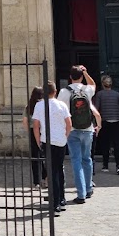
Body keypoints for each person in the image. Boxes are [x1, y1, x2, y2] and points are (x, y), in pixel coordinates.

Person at [58, 64, 100, 203]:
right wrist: (86, 73)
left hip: (72, 130)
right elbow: (93, 84)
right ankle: (88, 188)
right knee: (87, 159)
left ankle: (81, 194)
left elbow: (60, 112)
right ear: (81, 76)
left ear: (70, 77)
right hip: (88, 129)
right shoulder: (87, 90)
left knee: (76, 160)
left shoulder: (64, 92)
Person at [32, 81, 71, 214]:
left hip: (47, 141)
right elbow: (68, 124)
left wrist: (38, 141)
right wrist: (65, 136)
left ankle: (55, 203)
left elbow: (36, 125)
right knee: (59, 169)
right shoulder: (62, 105)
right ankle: (62, 199)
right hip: (60, 141)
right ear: (55, 92)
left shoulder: (39, 105)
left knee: (51, 171)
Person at [95, 74, 119, 174]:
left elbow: (96, 108)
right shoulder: (117, 94)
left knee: (105, 144)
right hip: (117, 120)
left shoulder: (100, 94)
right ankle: (118, 166)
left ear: (103, 84)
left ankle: (105, 165)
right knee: (117, 144)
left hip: (105, 121)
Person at [21, 86, 46, 189]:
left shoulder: (29, 106)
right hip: (43, 130)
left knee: (35, 157)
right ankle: (46, 178)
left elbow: (25, 121)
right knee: (45, 155)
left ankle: (37, 182)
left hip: (32, 131)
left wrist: (29, 131)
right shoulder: (44, 105)